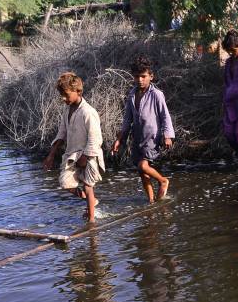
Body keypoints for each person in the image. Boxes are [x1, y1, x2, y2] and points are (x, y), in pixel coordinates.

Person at [43, 72, 104, 223]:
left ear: (78, 91)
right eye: (61, 95)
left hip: (89, 155)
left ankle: (91, 221)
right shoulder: (67, 110)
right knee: (65, 183)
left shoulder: (88, 112)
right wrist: (51, 155)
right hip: (72, 154)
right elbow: (61, 133)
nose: (63, 98)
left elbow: (95, 138)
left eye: (66, 94)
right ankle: (92, 202)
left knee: (88, 186)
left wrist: (85, 157)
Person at [111, 56, 174, 203]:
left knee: (143, 165)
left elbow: (165, 116)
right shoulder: (132, 95)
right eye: (137, 76)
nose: (140, 80)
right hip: (137, 138)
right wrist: (120, 139)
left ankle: (163, 181)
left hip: (152, 138)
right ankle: (151, 201)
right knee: (142, 172)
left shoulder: (157, 95)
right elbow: (127, 120)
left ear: (151, 76)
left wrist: (167, 135)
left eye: (143, 76)